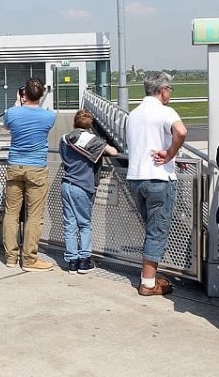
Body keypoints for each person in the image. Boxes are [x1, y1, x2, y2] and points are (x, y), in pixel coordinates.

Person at [126, 72, 187, 296]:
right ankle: (148, 283)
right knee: (156, 232)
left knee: (152, 229)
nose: (170, 93)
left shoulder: (132, 115)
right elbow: (181, 131)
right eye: (170, 89)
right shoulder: (165, 111)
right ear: (162, 90)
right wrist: (171, 154)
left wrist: (172, 156)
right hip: (159, 180)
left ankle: (149, 276)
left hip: (135, 178)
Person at [2, 77, 56, 272]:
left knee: (11, 213)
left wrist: (17, 104)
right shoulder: (49, 116)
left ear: (23, 94)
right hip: (36, 168)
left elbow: (7, 126)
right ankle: (29, 259)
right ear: (41, 95)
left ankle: (10, 257)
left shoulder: (12, 113)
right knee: (34, 215)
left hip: (15, 165)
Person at [59, 109, 118, 273]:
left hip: (66, 184)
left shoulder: (64, 139)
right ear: (90, 125)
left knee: (70, 224)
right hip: (82, 186)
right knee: (84, 224)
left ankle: (72, 260)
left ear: (74, 123)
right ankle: (85, 260)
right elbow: (113, 152)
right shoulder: (93, 140)